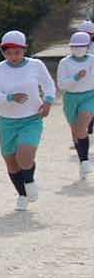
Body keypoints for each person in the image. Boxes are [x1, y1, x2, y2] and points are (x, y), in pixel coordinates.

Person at [0, 28, 60, 208]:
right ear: (2, 51)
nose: (13, 56)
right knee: (11, 162)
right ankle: (22, 195)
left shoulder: (36, 65)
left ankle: (29, 181)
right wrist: (11, 97)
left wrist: (48, 102)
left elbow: (48, 85)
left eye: (17, 52)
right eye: (8, 53)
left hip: (31, 118)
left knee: (25, 155)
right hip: (6, 121)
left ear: (24, 50)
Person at [58, 27, 94, 183]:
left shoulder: (92, 60)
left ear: (87, 46)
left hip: (90, 96)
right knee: (76, 132)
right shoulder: (65, 62)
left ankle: (85, 160)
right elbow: (61, 85)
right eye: (74, 47)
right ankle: (82, 160)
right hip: (71, 98)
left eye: (81, 46)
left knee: (81, 126)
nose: (77, 49)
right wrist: (75, 78)